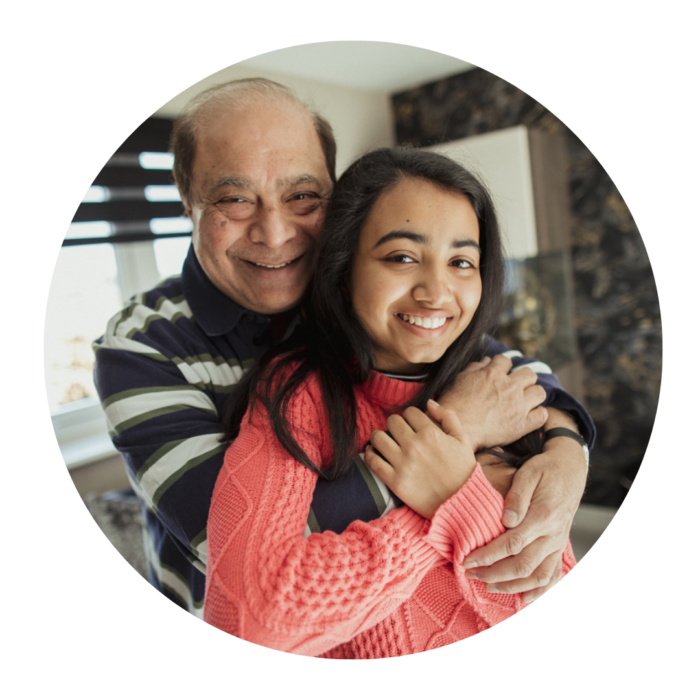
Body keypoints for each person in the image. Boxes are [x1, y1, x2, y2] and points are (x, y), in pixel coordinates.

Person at [92, 78, 594, 656]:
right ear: (187, 199)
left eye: (302, 196)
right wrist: (454, 446)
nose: (276, 232)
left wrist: (565, 450)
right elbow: (241, 552)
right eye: (234, 199)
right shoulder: (142, 346)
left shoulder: (363, 297)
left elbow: (498, 366)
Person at [204, 147, 588, 660]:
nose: (436, 292)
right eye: (402, 257)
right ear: (344, 269)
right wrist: (441, 502)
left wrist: (457, 489)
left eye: (461, 261)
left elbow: (548, 599)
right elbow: (252, 628)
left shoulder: (497, 388)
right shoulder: (297, 398)